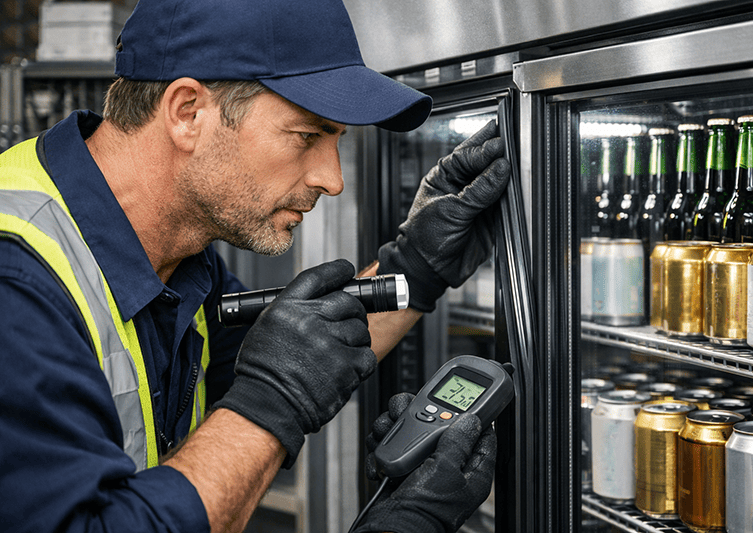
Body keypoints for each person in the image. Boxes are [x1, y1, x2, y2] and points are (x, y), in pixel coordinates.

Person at [0, 1, 510, 532]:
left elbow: (298, 360)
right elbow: (272, 389)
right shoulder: (16, 281)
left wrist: (415, 267)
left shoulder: (179, 256)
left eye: (337, 141)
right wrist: (273, 401)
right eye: (307, 136)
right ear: (187, 112)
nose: (331, 180)